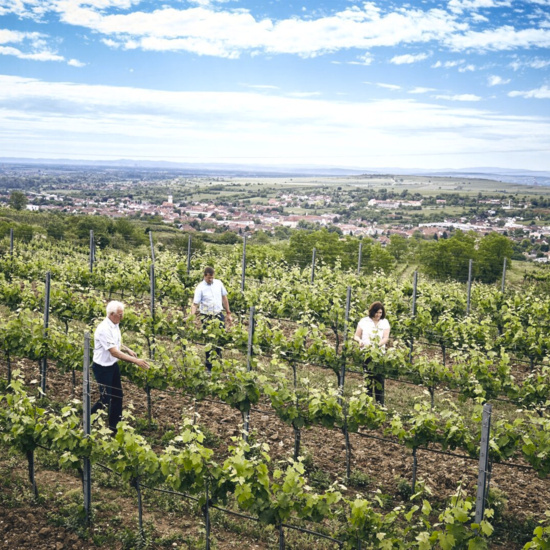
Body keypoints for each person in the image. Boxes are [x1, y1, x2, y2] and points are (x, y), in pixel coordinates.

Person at [92, 301, 149, 432]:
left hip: (112, 365)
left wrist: (127, 349)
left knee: (118, 396)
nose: (122, 318)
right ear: (112, 314)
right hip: (102, 368)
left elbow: (116, 342)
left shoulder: (115, 323)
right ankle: (88, 421)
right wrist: (136, 361)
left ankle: (114, 427)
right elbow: (114, 352)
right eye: (120, 315)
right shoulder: (103, 329)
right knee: (105, 399)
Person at [190, 266, 232, 371]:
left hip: (218, 314)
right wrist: (192, 316)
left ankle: (217, 363)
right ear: (205, 276)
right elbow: (195, 304)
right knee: (209, 342)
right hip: (207, 316)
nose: (211, 280)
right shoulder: (200, 287)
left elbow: (224, 298)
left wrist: (228, 313)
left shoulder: (219, 283)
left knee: (219, 339)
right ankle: (209, 367)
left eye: (212, 277)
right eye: (209, 278)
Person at [354, 301, 390, 404]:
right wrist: (359, 341)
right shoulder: (364, 321)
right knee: (368, 379)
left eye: (380, 312)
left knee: (379, 380)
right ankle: (368, 404)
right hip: (367, 354)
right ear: (372, 312)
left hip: (379, 355)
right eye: (376, 312)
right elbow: (356, 335)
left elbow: (386, 338)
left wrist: (377, 346)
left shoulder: (385, 322)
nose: (378, 315)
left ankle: (380, 404)